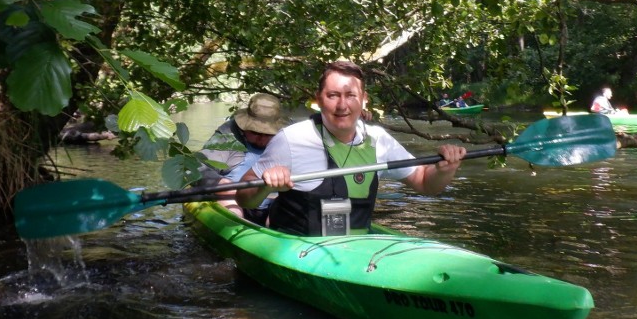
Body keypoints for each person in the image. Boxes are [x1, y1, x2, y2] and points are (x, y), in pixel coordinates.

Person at [235, 61, 466, 235]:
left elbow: (425, 182)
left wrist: (445, 170)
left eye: (350, 95)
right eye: (333, 95)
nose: (342, 105)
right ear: (318, 99)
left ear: (364, 100)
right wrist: (266, 186)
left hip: (355, 251)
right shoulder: (292, 139)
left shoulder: (379, 140)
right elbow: (244, 198)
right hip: (296, 248)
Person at [198, 93, 287, 223]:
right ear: (243, 128)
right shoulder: (227, 135)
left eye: (269, 134)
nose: (261, 138)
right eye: (255, 132)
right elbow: (198, 167)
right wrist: (220, 183)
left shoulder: (291, 136)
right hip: (233, 200)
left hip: (274, 204)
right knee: (231, 205)